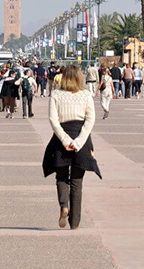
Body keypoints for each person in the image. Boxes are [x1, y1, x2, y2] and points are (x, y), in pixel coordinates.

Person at [42, 65, 101, 230]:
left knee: (61, 178)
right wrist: (78, 142)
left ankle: (64, 206)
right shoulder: (86, 95)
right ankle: (74, 223)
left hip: (61, 141)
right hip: (81, 140)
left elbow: (53, 120)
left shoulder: (55, 94)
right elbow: (90, 120)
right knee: (77, 181)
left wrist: (65, 140)